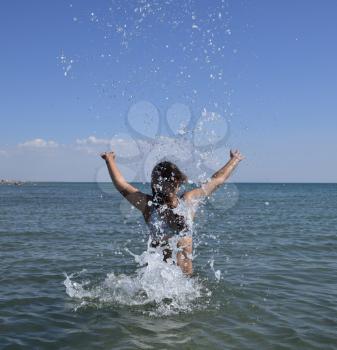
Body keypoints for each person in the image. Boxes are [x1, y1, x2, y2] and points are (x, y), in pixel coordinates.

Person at [101, 149, 244, 275]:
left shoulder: (188, 201)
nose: (166, 186)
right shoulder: (149, 206)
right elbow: (122, 186)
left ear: (177, 181)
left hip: (185, 284)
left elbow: (217, 180)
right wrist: (110, 161)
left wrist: (234, 160)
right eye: (160, 181)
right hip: (159, 282)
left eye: (170, 181)